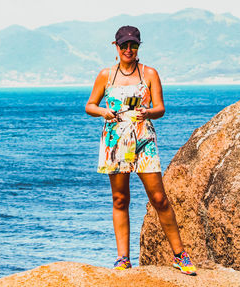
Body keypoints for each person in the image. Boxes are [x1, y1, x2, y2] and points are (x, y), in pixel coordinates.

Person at [85, 25, 196, 275]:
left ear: (138, 46)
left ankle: (180, 255)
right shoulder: (105, 75)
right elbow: (90, 105)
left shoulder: (150, 73)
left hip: (143, 139)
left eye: (133, 45)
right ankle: (123, 258)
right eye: (123, 45)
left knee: (159, 198)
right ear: (115, 46)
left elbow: (160, 108)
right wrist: (103, 111)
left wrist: (148, 112)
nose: (128, 49)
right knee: (120, 199)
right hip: (115, 141)